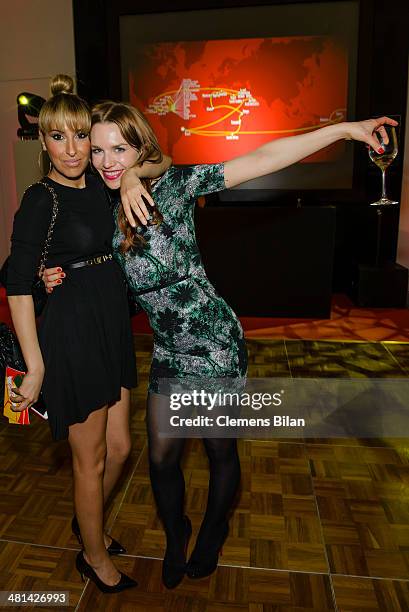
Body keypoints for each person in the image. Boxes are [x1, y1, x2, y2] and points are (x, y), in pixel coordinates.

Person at [44, 100, 397, 589]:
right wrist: (52, 273)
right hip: (168, 349)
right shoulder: (97, 204)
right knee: (163, 458)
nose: (107, 161)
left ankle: (213, 529)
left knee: (218, 451)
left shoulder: (176, 187)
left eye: (119, 149)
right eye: (99, 149)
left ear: (139, 147)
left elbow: (263, 158)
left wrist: (344, 131)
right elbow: (73, 252)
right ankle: (176, 534)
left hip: (214, 343)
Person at [6, 75, 169, 593]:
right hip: (72, 334)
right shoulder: (40, 199)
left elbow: (163, 160)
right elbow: (16, 281)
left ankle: (88, 519)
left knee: (120, 448)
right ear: (44, 141)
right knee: (90, 456)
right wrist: (35, 366)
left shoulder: (103, 181)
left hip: (109, 323)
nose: (73, 149)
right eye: (59, 137)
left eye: (81, 136)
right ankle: (93, 556)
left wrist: (134, 176)